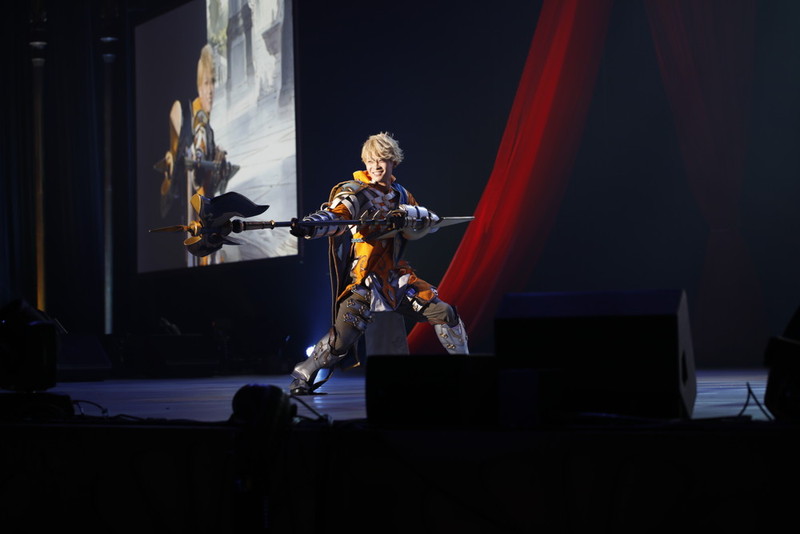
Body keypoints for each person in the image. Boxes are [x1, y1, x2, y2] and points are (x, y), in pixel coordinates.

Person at [287, 132, 469, 395]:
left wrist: (408, 216)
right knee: (341, 340)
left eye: (381, 160)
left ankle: (467, 372)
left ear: (394, 161)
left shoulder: (402, 195)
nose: (376, 166)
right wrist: (310, 226)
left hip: (396, 279)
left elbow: (429, 222)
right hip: (364, 279)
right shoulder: (357, 192)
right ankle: (303, 373)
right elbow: (336, 217)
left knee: (445, 314)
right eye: (370, 161)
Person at [159, 43, 230, 265]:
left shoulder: (207, 125)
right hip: (194, 223)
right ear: (199, 86)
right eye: (206, 83)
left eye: (213, 83)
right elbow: (192, 173)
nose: (210, 91)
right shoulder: (193, 120)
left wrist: (219, 162)